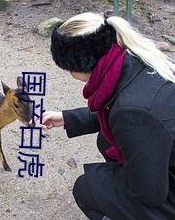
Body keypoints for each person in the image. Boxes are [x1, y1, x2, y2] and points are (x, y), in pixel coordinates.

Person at [33, 12, 175, 219]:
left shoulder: (132, 113)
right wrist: (66, 118)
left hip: (166, 192)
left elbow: (150, 194)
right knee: (106, 140)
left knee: (87, 188)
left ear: (79, 65)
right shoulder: (133, 58)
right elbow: (115, 108)